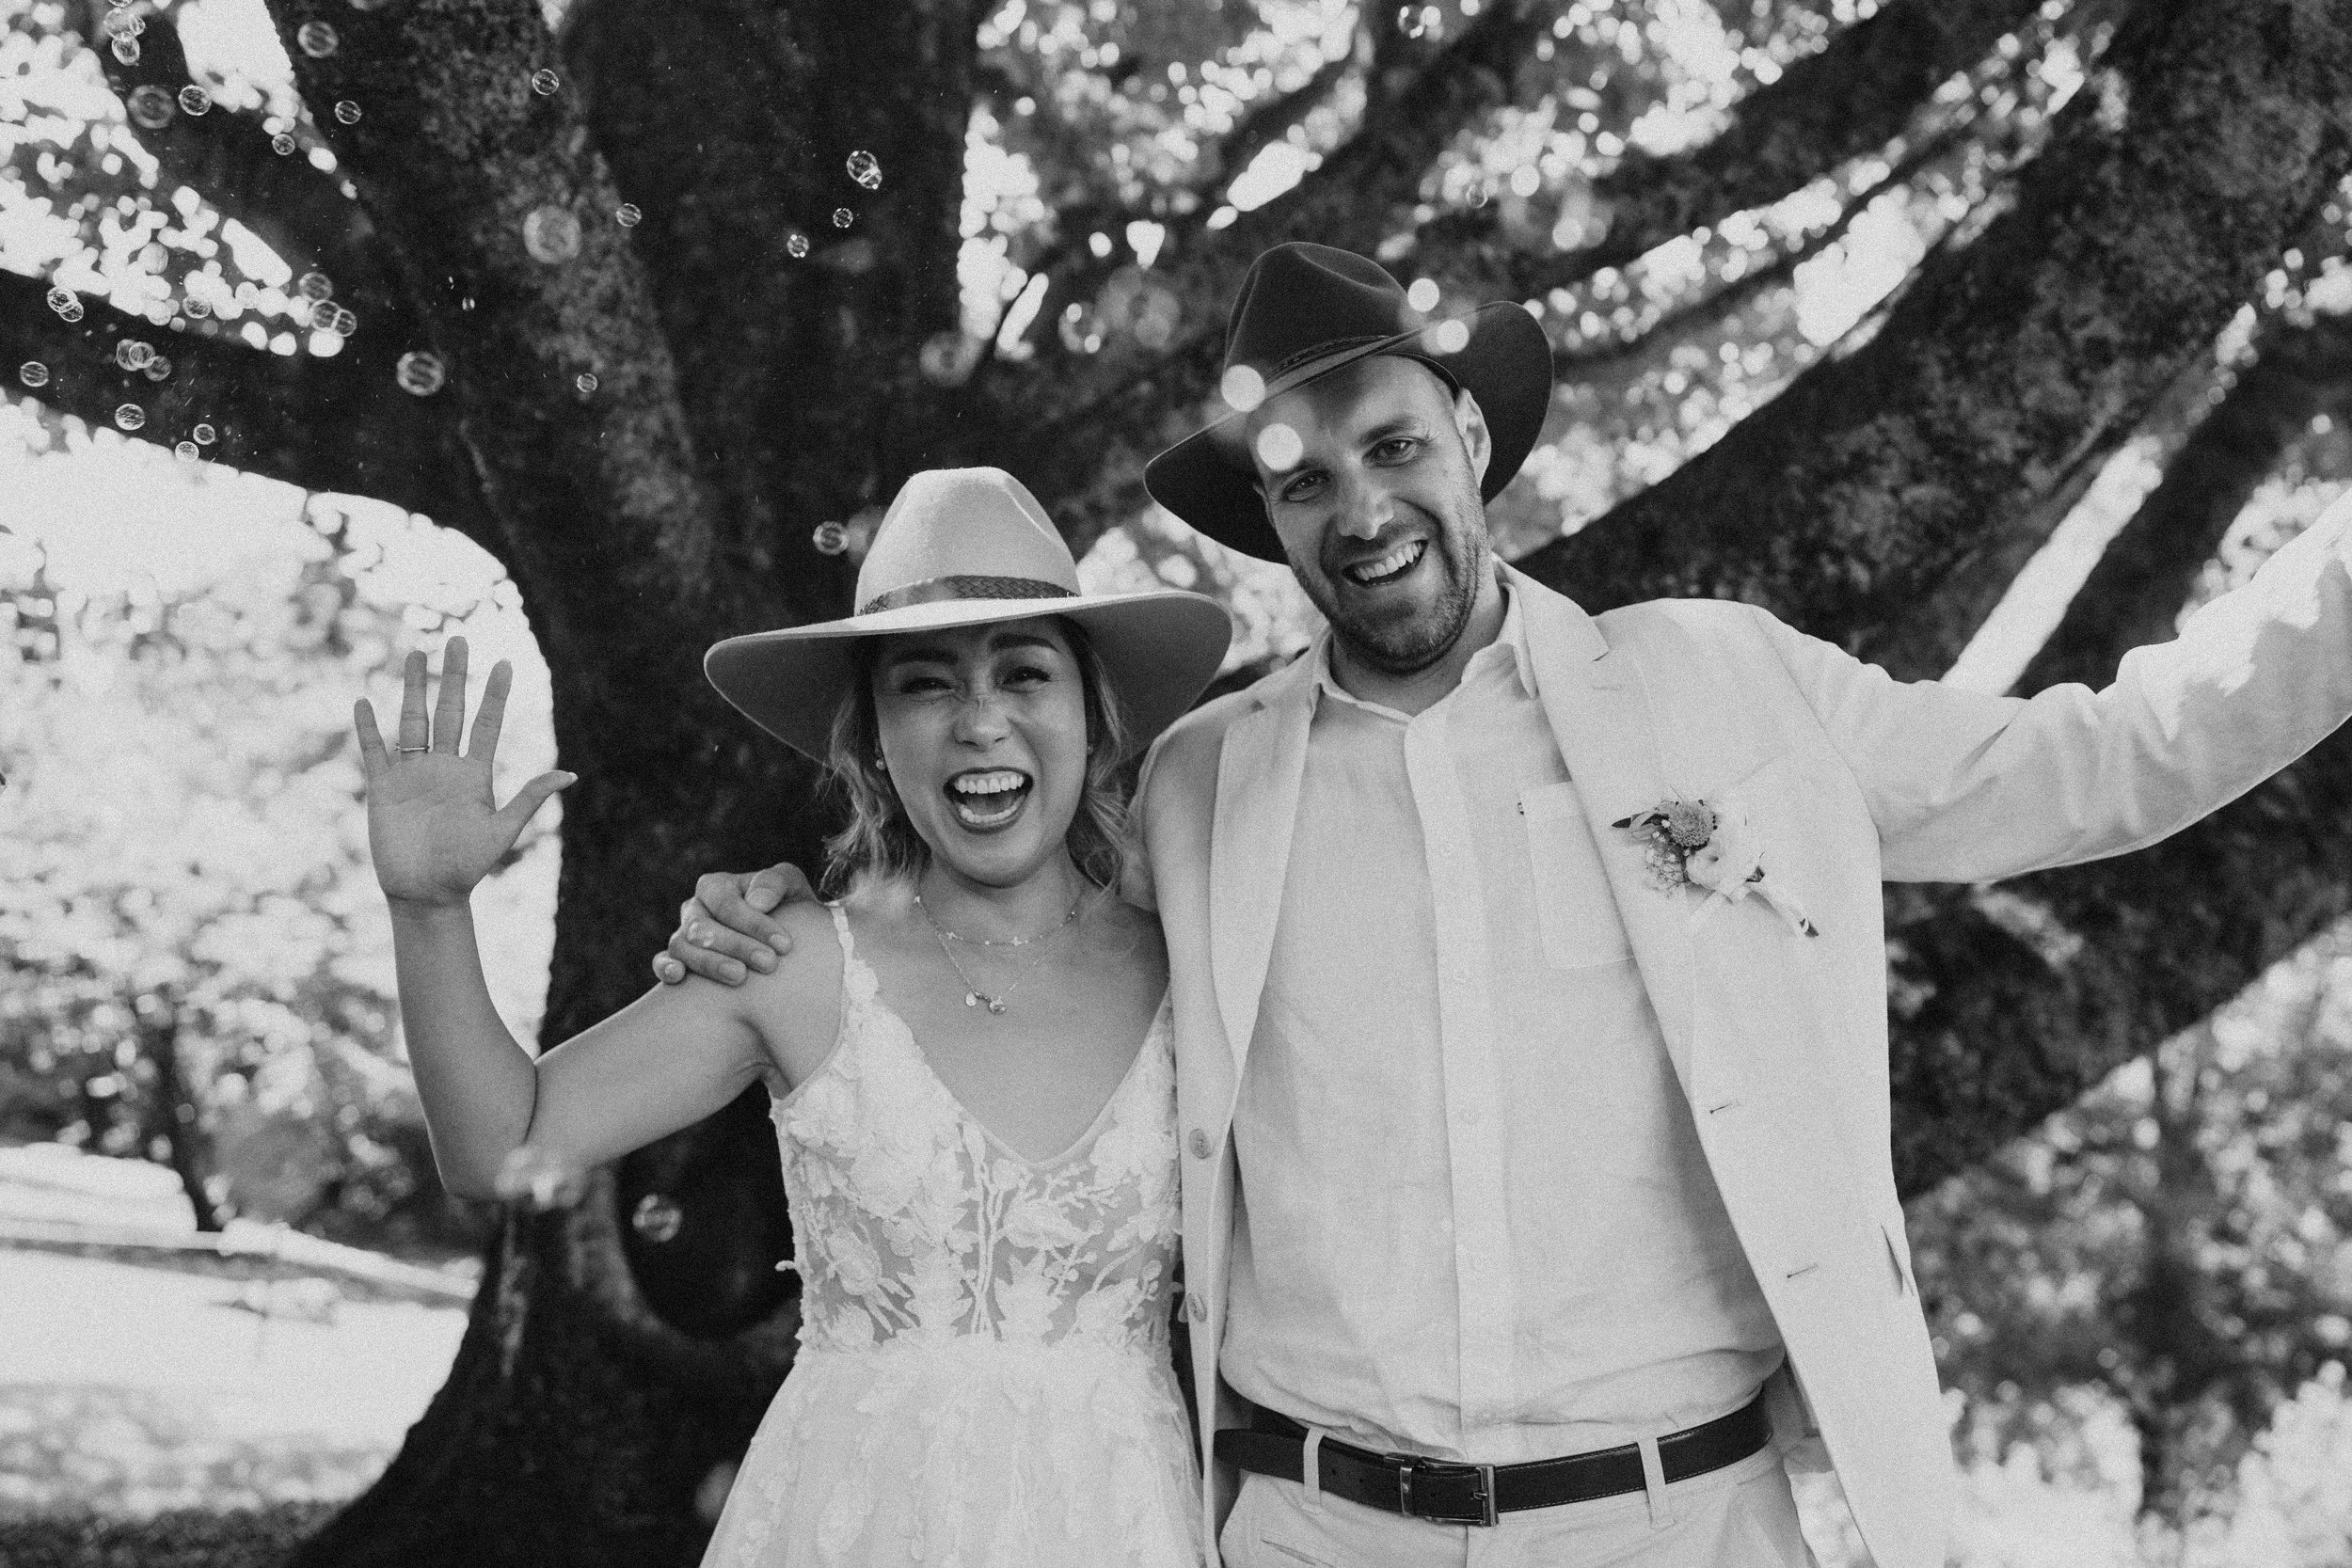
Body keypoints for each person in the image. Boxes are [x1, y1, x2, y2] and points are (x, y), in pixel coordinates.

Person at [656, 245, 2352, 1568]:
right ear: (1268, 520)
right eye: (1303, 478)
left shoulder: (1724, 689)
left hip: (1680, 1522)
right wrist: (783, 918)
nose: (1359, 507)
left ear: (1470, 438)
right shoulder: (1198, 785)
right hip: (1320, 1530)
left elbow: (2103, 759)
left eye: (1393, 444)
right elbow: (997, 918)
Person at [354, 467, 1231, 1568]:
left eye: (1025, 672)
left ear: (1093, 719)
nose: (979, 720)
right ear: (870, 741)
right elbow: (497, 1146)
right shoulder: (789, 960)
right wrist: (429, 909)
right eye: (925, 684)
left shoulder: (1198, 958)